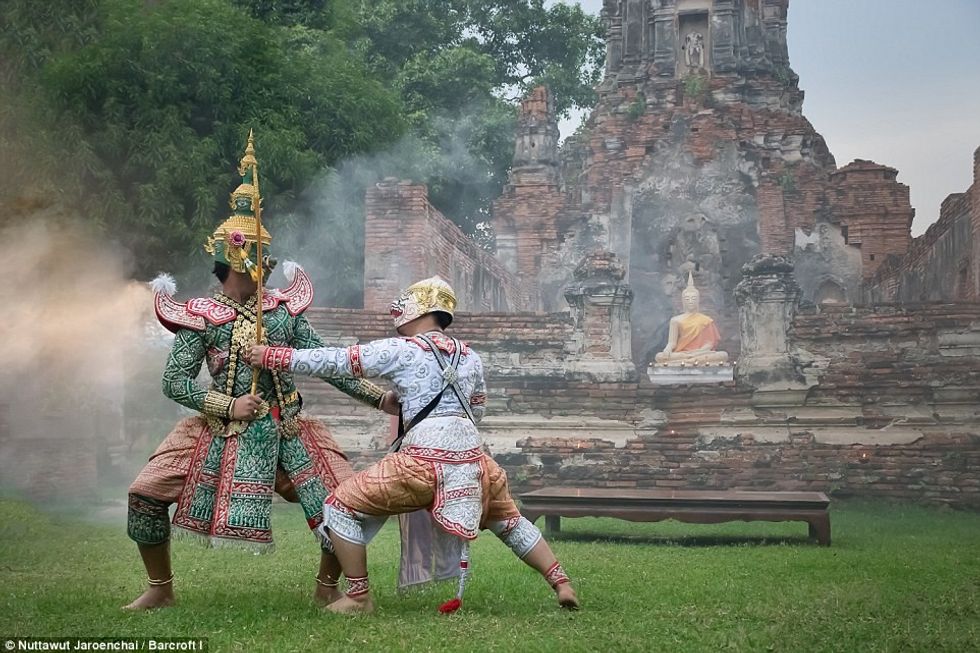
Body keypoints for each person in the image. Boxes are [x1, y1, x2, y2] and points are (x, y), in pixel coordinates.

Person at [125, 132, 397, 610]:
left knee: (343, 502)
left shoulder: (283, 314)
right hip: (216, 431)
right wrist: (229, 404)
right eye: (258, 256)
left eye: (267, 258)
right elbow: (175, 382)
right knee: (144, 493)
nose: (266, 267)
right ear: (234, 258)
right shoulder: (201, 315)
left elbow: (329, 364)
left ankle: (328, 588)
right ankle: (159, 590)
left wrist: (380, 397)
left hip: (288, 428)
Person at [248, 276, 579, 614]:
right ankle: (562, 583)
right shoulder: (470, 357)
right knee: (507, 520)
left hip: (420, 464)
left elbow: (337, 361)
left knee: (339, 506)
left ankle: (359, 597)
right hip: (475, 463)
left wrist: (272, 356)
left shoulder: (401, 349)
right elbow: (476, 408)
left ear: (416, 310)